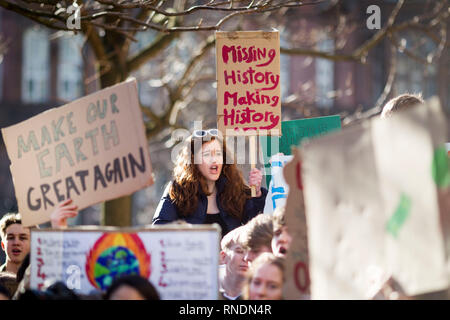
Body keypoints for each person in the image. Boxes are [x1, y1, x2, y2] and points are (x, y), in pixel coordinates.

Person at [152, 129, 267, 237]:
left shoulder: (235, 189)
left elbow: (258, 229)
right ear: (193, 161)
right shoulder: (177, 190)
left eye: (218, 153)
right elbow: (160, 231)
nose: (214, 160)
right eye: (206, 155)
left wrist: (256, 194)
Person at [219, 225, 248, 300]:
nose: (246, 258)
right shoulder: (208, 286)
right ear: (223, 257)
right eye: (240, 251)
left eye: (252, 252)